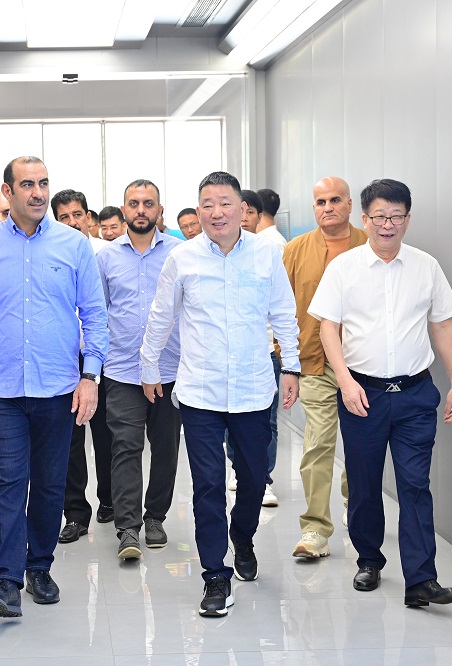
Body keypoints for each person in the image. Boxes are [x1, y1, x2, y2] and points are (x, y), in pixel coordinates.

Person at [0, 156, 108, 618]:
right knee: (6, 482)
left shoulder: (74, 245)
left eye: (43, 183)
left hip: (57, 388)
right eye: (27, 185)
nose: (38, 193)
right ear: (8, 191)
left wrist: (90, 377)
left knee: (50, 484)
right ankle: (6, 580)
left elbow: (94, 316)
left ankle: (39, 567)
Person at [141, 171, 300, 618]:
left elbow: (284, 313)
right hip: (200, 392)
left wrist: (292, 367)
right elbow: (161, 315)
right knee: (207, 485)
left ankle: (242, 537)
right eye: (207, 204)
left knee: (253, 478)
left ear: (242, 209)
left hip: (253, 389)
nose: (216, 212)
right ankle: (215, 575)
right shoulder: (183, 258)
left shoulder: (266, 254)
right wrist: (149, 367)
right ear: (198, 210)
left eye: (225, 203)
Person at [309, 178, 452, 607]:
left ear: (407, 219)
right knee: (364, 482)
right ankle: (369, 560)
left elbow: (442, 324)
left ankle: (421, 579)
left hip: (415, 394)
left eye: (396, 216)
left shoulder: (426, 266)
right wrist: (345, 381)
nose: (388, 224)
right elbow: (328, 327)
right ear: (365, 219)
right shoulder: (344, 268)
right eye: (379, 216)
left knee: (415, 484)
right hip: (363, 393)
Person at [99, 179, 182, 560]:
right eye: (134, 203)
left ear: (159, 210)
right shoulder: (106, 258)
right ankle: (128, 528)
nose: (141, 210)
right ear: (124, 210)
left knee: (166, 448)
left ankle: (155, 518)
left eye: (149, 203)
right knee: (125, 447)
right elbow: (98, 312)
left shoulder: (180, 254)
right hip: (122, 370)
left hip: (170, 369)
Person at [283, 177, 366, 560]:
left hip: (363, 364)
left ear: (349, 205)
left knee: (360, 444)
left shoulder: (370, 245)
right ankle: (315, 528)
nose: (328, 207)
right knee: (318, 442)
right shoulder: (296, 250)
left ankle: (355, 505)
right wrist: (286, 360)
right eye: (320, 201)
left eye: (335, 200)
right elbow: (281, 307)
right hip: (314, 362)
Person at [51, 188, 114, 542]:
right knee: (70, 439)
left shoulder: (106, 254)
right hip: (64, 358)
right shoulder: (51, 252)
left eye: (77, 215)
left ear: (89, 218)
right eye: (64, 217)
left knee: (106, 433)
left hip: (102, 357)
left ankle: (110, 500)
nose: (72, 222)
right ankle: (75, 513)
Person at [225, 188, 281, 508]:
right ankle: (238, 469)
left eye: (249, 212)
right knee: (230, 420)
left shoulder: (270, 251)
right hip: (229, 354)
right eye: (239, 211)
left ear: (260, 217)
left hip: (264, 352)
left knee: (266, 421)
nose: (243, 218)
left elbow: (284, 307)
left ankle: (264, 479)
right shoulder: (219, 254)